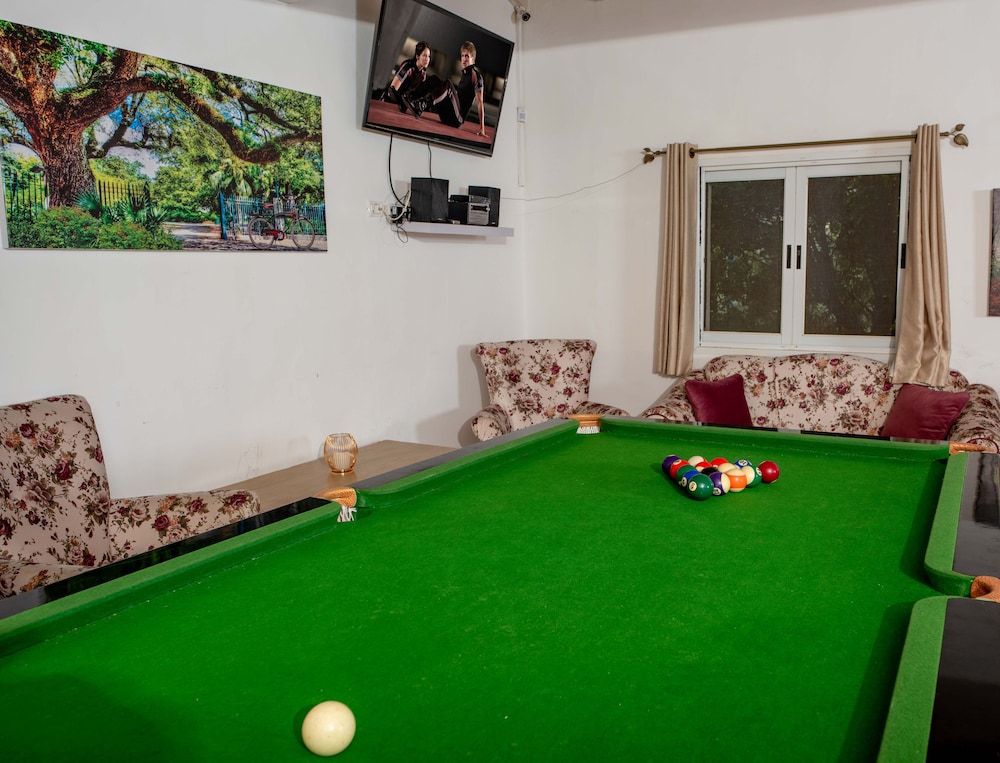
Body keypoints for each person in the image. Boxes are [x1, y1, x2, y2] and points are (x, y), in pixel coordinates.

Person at [403, 41, 486, 137]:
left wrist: (482, 129)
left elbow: (480, 103)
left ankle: (421, 105)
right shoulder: (465, 73)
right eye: (462, 56)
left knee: (448, 84)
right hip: (447, 115)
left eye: (467, 56)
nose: (463, 59)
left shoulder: (476, 76)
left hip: (456, 119)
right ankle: (411, 97)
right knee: (434, 79)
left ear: (473, 58)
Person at [380, 41, 431, 114]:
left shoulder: (423, 74)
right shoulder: (408, 67)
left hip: (402, 107)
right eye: (424, 55)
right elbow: (392, 91)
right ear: (417, 56)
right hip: (387, 102)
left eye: (429, 56)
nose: (427, 59)